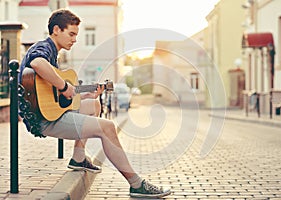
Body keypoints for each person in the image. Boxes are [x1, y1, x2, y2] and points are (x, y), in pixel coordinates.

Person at [18, 9, 171, 198]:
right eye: (71, 34)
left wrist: (83, 95)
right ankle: (136, 184)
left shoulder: (53, 54)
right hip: (43, 120)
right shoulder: (44, 48)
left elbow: (54, 97)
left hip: (48, 112)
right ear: (56, 29)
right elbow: (37, 64)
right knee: (107, 127)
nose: (74, 39)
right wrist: (65, 85)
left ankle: (78, 158)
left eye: (76, 35)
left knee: (95, 105)